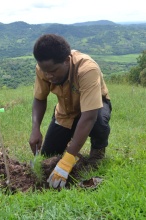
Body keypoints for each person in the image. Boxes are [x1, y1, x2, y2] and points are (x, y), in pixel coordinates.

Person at [29, 34, 112, 189]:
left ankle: (96, 154)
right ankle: (73, 151)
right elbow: (40, 98)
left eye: (53, 71)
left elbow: (89, 116)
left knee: (99, 120)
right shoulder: (44, 69)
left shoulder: (87, 69)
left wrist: (67, 161)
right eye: (45, 71)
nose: (48, 76)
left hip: (94, 108)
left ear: (67, 61)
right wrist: (35, 129)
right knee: (48, 155)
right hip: (66, 111)